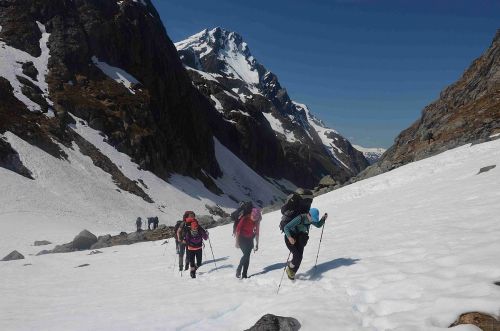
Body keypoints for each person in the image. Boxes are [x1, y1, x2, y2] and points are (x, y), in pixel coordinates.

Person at [283, 208, 327, 280]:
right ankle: (289, 268)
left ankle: (292, 272)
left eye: (314, 219)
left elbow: (318, 225)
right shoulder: (300, 218)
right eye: (312, 219)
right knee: (297, 256)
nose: (313, 221)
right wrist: (290, 238)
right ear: (308, 215)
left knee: (299, 257)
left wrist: (323, 219)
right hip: (290, 238)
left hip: (299, 238)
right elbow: (286, 228)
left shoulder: (311, 219)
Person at [235, 208, 262, 279]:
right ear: (251, 214)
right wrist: (237, 242)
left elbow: (257, 234)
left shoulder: (257, 221)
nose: (254, 218)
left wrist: (257, 244)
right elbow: (238, 230)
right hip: (241, 238)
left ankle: (244, 274)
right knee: (246, 255)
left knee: (247, 256)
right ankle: (239, 268)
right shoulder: (245, 218)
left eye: (256, 217)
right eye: (253, 216)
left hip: (250, 239)